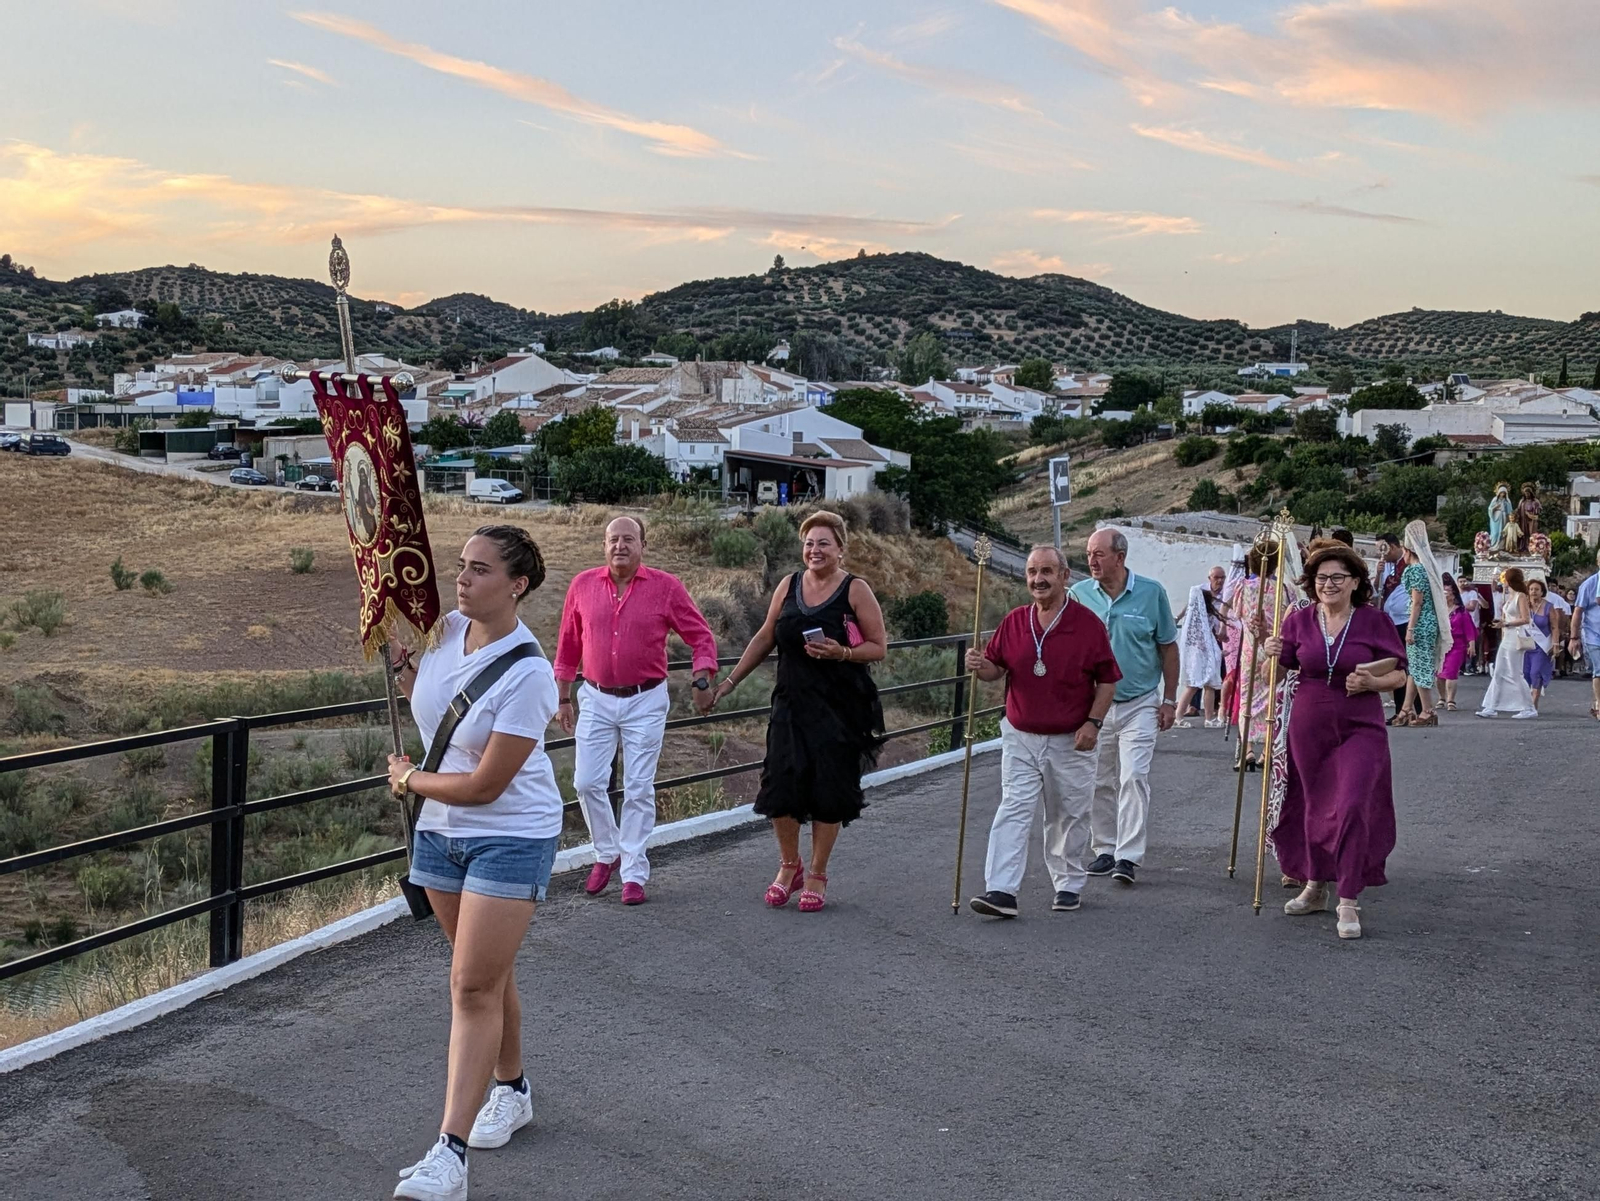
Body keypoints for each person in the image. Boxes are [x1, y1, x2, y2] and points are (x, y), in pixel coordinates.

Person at [386, 526, 560, 1200]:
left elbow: (487, 783)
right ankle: (512, 1090)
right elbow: (436, 713)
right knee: (485, 974)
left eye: (479, 570)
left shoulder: (529, 673)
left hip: (510, 831)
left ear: (516, 584)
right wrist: (406, 675)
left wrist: (408, 781)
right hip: (442, 835)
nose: (461, 579)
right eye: (461, 566)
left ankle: (449, 1155)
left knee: (470, 985)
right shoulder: (445, 632)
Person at [711, 510, 885, 911]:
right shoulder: (788, 585)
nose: (814, 550)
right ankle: (790, 866)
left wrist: (841, 651)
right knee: (781, 784)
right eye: (809, 543)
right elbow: (765, 636)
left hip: (839, 708)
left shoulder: (856, 590)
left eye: (824, 543)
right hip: (790, 703)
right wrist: (729, 682)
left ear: (841, 549)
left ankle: (818, 874)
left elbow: (878, 646)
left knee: (828, 788)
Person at [554, 515, 719, 906]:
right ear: (604, 545)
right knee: (587, 783)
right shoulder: (582, 585)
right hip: (595, 696)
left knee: (638, 787)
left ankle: (633, 871)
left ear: (642, 545)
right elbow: (567, 646)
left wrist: (701, 679)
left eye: (628, 539)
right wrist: (562, 697)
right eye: (613, 540)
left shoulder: (666, 588)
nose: (620, 546)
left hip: (645, 699)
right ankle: (606, 852)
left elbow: (700, 636)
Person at [1260, 543, 1408, 940]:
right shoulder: (1297, 620)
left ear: (1355, 581)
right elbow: (1279, 668)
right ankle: (1315, 885)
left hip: (1361, 725)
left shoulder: (1374, 621)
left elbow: (1399, 674)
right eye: (1321, 578)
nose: (1328, 584)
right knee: (1313, 806)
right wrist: (1269, 652)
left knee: (1353, 804)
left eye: (1337, 577)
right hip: (1309, 727)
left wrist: (1373, 682)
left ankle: (1348, 898)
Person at [965, 547, 1120, 918]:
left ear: (1065, 576)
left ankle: (1067, 883)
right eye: (1033, 572)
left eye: (1047, 571)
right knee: (1014, 808)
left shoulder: (1087, 624)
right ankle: (1001, 890)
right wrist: (979, 664)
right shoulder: (1015, 621)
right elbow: (995, 670)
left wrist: (1093, 724)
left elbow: (1108, 681)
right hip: (1021, 734)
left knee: (1067, 814)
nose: (1038, 579)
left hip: (1071, 738)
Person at [1069, 528, 1179, 887]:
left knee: (1133, 776)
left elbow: (1168, 648)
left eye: (1098, 554)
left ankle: (1128, 857)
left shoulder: (1151, 594)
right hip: (1095, 708)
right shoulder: (1079, 595)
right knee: (1098, 781)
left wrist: (1169, 700)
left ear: (1120, 556)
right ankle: (1105, 848)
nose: (1091, 561)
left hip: (1140, 702)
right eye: (1088, 554)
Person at [1225, 547, 1292, 769]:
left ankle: (1247, 750)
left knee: (1247, 697)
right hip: (1274, 646)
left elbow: (1237, 613)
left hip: (1250, 648)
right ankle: (1267, 750)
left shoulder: (1242, 587)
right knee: (1272, 697)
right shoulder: (1283, 588)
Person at [1396, 520, 1451, 728]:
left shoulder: (1414, 570)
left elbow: (1417, 601)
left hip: (1419, 622)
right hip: (1430, 621)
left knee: (1420, 665)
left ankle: (1427, 710)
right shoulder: (1426, 568)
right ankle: (1407, 707)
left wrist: (1410, 627)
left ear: (1407, 550)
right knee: (1415, 665)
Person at [1478, 568, 1537, 719]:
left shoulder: (1521, 596)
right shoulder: (1509, 596)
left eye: (1504, 579)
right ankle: (1491, 706)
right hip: (1507, 637)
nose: (1502, 582)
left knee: (1515, 672)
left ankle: (1528, 707)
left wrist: (1506, 624)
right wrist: (1503, 624)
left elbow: (1525, 619)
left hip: (1515, 636)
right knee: (1499, 671)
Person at [1372, 532, 1419, 723]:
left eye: (1382, 549)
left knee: (1410, 666)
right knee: (1397, 665)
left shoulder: (1410, 563)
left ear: (1391, 546)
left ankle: (1417, 709)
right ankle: (1401, 709)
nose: (1380, 554)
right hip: (1390, 619)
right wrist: (1378, 573)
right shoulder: (1386, 566)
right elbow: (1376, 590)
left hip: (1407, 621)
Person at [1176, 565, 1226, 728]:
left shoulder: (1214, 608)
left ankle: (1209, 718)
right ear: (1209, 578)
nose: (1219, 581)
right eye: (1216, 578)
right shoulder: (1200, 595)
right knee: (1193, 684)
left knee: (1210, 683)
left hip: (1207, 647)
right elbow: (1190, 610)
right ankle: (1178, 716)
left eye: (1222, 578)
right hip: (1199, 651)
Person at [1437, 575, 1475, 712]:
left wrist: (1472, 643)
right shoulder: (1438, 611)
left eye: (1447, 593)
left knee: (1451, 672)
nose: (1445, 595)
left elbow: (1469, 628)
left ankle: (1451, 699)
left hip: (1457, 645)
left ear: (1453, 595)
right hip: (1441, 644)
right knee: (1439, 673)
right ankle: (1442, 697)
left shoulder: (1461, 611)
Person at [1571, 550, 1600, 719]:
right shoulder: (1589, 584)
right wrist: (1574, 638)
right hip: (1593, 634)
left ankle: (1596, 699)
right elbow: (1578, 612)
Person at [1522, 578, 1556, 709]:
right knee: (1525, 673)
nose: (1533, 592)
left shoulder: (1548, 607)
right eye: (1531, 589)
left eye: (1536, 589)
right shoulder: (1523, 605)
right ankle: (1525, 701)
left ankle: (1533, 702)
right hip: (1525, 644)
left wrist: (1555, 643)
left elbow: (1554, 627)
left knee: (1535, 672)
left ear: (1542, 592)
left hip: (1541, 646)